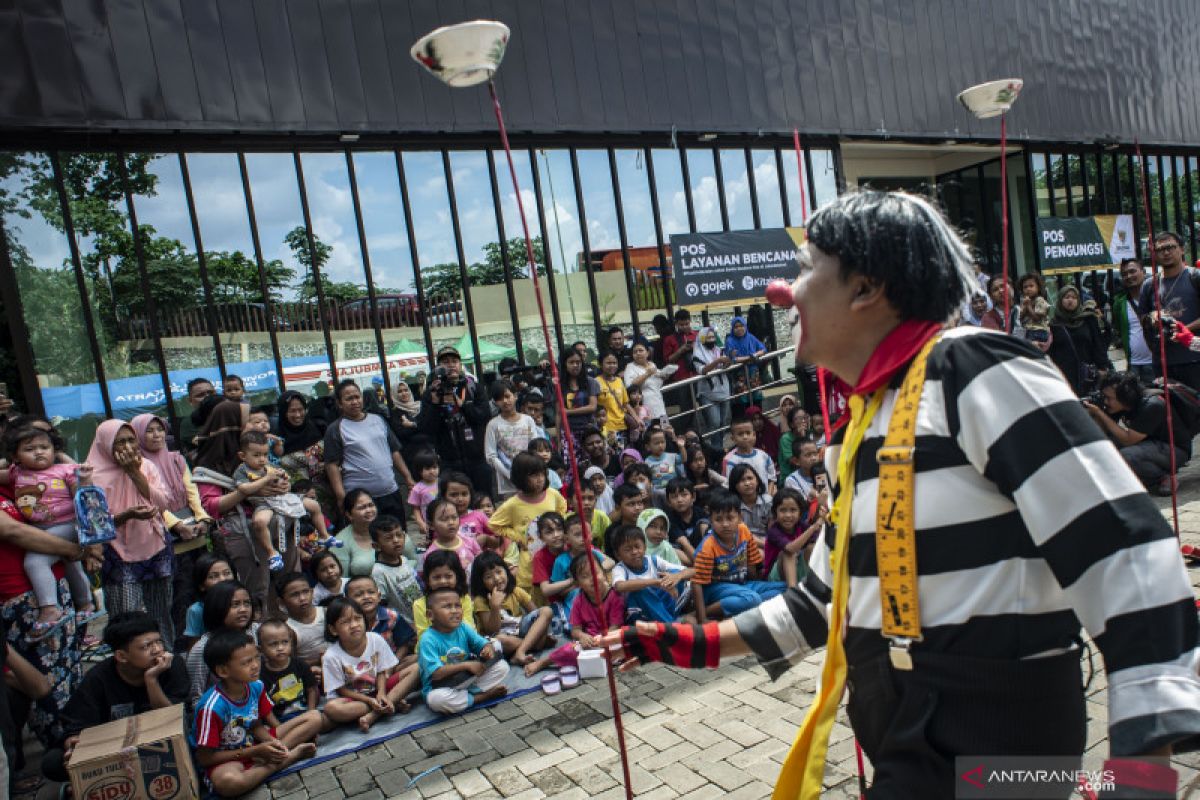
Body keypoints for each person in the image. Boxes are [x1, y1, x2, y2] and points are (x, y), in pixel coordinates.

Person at [602, 190, 1200, 798]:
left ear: (865, 288)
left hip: (997, 737)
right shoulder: (864, 426)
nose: (785, 291)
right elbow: (821, 605)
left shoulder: (976, 368)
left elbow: (1129, 551)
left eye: (808, 269)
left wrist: (1142, 779)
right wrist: (674, 643)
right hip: (909, 736)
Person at [40, 611, 188, 785]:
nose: (157, 650)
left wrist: (152, 680)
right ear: (121, 656)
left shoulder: (172, 665)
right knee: (53, 762)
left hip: (161, 743)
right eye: (146, 646)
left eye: (158, 642)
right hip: (114, 750)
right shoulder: (98, 678)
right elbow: (76, 725)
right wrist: (72, 745)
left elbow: (173, 718)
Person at [192, 629, 321, 797]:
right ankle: (288, 758)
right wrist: (255, 751)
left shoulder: (255, 685)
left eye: (256, 658)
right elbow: (205, 758)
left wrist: (272, 744)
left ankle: (272, 758)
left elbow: (256, 725)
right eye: (246, 662)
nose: (255, 665)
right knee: (229, 783)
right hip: (229, 759)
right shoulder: (211, 708)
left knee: (315, 718)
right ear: (223, 671)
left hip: (254, 745)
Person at [1, 427, 97, 634]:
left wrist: (85, 479)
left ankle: (49, 608)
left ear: (54, 449)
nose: (38, 452)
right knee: (70, 563)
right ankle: (86, 603)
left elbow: (82, 497)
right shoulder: (15, 473)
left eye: (45, 447)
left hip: (67, 524)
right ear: (15, 456)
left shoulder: (63, 471)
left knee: (35, 562)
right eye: (29, 449)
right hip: (39, 527)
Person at [132, 414, 216, 647]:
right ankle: (185, 643)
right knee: (181, 594)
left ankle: (211, 634)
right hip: (168, 536)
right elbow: (149, 499)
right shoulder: (136, 465)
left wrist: (202, 517)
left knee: (205, 587)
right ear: (138, 434)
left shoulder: (176, 458)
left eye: (160, 429)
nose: (156, 435)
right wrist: (176, 525)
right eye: (149, 431)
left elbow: (191, 489)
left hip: (195, 532)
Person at [87, 420, 175, 643]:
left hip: (155, 545)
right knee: (125, 616)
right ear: (106, 445)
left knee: (161, 610)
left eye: (131, 440)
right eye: (120, 442)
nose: (127, 447)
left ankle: (166, 658)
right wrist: (127, 515)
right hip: (118, 552)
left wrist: (134, 473)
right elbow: (94, 526)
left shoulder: (146, 466)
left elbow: (164, 502)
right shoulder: (92, 476)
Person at [1083, 370, 1191, 496]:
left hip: (1175, 450)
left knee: (1126, 456)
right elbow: (1102, 433)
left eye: (1109, 398)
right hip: (1149, 444)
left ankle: (1162, 477)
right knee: (1103, 445)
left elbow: (1128, 439)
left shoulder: (1152, 405)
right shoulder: (1123, 403)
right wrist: (1094, 413)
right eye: (1104, 397)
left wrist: (1099, 413)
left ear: (1125, 396)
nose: (1106, 402)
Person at [320, 596, 418, 732]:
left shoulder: (375, 639)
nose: (354, 625)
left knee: (417, 668)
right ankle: (392, 701)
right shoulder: (331, 656)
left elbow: (382, 671)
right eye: (345, 622)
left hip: (380, 689)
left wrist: (382, 693)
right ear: (333, 629)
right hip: (356, 699)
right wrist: (368, 700)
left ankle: (376, 713)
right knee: (331, 709)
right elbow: (341, 690)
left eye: (357, 618)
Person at [324, 380, 415, 525]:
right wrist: (341, 496)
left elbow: (394, 451)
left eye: (357, 397)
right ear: (340, 403)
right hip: (360, 500)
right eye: (349, 399)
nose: (355, 401)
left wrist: (408, 477)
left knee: (397, 535)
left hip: (390, 491)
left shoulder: (378, 420)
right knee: (369, 541)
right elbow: (331, 465)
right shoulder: (335, 429)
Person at [235, 431, 328, 573]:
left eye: (265, 455)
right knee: (259, 522)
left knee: (314, 505)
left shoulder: (269, 466)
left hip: (283, 499)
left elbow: (285, 479)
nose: (262, 459)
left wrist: (285, 482)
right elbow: (244, 489)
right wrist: (266, 479)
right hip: (263, 503)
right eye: (256, 455)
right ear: (242, 456)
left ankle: (324, 536)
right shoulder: (242, 470)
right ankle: (272, 553)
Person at [416, 347, 494, 496]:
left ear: (460, 364)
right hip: (449, 464)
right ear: (438, 367)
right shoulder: (432, 393)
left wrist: (463, 405)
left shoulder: (474, 388)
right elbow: (426, 428)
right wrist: (435, 404)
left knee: (484, 504)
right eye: (445, 362)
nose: (451, 365)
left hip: (477, 460)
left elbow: (484, 417)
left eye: (454, 361)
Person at [419, 588, 510, 714]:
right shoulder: (428, 639)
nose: (454, 611)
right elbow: (436, 673)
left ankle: (467, 695)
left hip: (466, 678)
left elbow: (483, 644)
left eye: (458, 606)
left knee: (502, 667)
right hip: (441, 685)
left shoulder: (462, 627)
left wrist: (487, 650)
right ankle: (482, 697)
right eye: (447, 607)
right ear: (430, 615)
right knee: (436, 700)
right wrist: (466, 665)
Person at [488, 453, 567, 593]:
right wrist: (518, 536)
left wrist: (556, 527)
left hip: (555, 557)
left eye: (542, 474)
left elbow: (562, 507)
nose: (540, 480)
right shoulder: (513, 504)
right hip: (529, 564)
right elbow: (493, 524)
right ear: (520, 478)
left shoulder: (552, 494)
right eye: (534, 476)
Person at [470, 551, 554, 674]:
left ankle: (520, 652)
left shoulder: (516, 591)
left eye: (499, 572)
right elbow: (491, 631)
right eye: (489, 577)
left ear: (506, 571)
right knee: (500, 639)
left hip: (521, 631)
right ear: (481, 582)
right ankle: (534, 645)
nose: (497, 579)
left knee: (547, 610)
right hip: (502, 641)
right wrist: (494, 607)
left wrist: (540, 628)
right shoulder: (480, 600)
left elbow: (535, 613)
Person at [610, 523, 692, 624]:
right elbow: (619, 586)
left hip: (660, 608)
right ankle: (670, 626)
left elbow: (692, 571)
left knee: (674, 574)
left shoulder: (653, 560)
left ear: (644, 547)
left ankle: (668, 621)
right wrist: (655, 582)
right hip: (637, 614)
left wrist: (677, 577)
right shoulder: (620, 568)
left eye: (637, 546)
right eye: (628, 549)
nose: (634, 552)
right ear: (618, 555)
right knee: (640, 591)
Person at [1047, 285, 1112, 397]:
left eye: (1074, 297)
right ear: (1060, 300)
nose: (1070, 300)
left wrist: (1102, 367)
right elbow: (1051, 352)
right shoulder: (1054, 324)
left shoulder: (1088, 320)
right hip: (1064, 375)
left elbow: (1098, 345)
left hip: (1087, 374)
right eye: (1066, 297)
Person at [484, 379, 541, 499]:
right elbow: (491, 456)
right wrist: (509, 474)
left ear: (515, 396)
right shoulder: (493, 425)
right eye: (499, 399)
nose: (505, 401)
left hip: (530, 474)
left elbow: (535, 446)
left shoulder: (528, 420)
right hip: (508, 481)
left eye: (507, 396)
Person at [256, 620, 318, 723]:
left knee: (324, 718)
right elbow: (265, 709)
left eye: (285, 642)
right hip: (281, 720)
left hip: (304, 713)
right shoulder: (260, 675)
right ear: (261, 649)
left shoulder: (300, 665)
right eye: (273, 644)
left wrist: (311, 713)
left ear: (291, 643)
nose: (280, 648)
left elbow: (311, 690)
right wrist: (279, 727)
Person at [763, 487, 823, 587]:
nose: (788, 515)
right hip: (776, 576)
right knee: (788, 553)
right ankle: (793, 592)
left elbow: (817, 541)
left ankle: (815, 583)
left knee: (811, 547)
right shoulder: (774, 531)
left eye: (793, 510)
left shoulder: (801, 526)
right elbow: (791, 549)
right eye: (783, 510)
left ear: (800, 513)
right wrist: (813, 528)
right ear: (775, 513)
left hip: (797, 570)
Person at [411, 549, 477, 639]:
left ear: (457, 577)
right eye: (437, 577)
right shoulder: (419, 605)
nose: (442, 581)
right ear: (428, 580)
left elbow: (469, 629)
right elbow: (423, 636)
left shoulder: (464, 599)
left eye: (448, 576)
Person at [369, 515, 421, 626]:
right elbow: (382, 605)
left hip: (422, 617)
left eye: (399, 535)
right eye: (389, 538)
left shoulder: (403, 559)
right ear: (376, 546)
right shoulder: (378, 572)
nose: (396, 540)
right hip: (406, 626)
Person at [1111, 259, 1155, 384]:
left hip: (1155, 362)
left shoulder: (1156, 297)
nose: (1129, 276)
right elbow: (1119, 328)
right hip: (1133, 364)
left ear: (1143, 272)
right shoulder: (1120, 303)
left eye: (1132, 271)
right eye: (1124, 274)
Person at [180, 554, 236, 650]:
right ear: (201, 585)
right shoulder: (197, 610)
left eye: (227, 573)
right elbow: (194, 647)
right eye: (213, 576)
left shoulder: (241, 602)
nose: (222, 579)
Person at [691, 327, 732, 448]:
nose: (711, 340)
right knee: (714, 422)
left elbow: (723, 367)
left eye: (713, 337)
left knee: (724, 422)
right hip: (707, 392)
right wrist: (717, 361)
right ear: (702, 339)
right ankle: (716, 447)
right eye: (708, 338)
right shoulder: (697, 354)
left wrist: (728, 361)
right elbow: (702, 370)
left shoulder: (718, 350)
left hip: (723, 389)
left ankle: (720, 446)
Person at [419, 497, 482, 576]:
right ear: (431, 525)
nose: (451, 522)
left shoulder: (469, 541)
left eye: (454, 517)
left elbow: (481, 562)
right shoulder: (431, 554)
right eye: (444, 519)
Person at [277, 572, 326, 667]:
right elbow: (291, 664)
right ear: (281, 602)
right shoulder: (288, 630)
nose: (302, 598)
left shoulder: (326, 612)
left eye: (305, 591)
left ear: (312, 592)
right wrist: (320, 661)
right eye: (294, 595)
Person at [624, 341, 677, 425]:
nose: (638, 353)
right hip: (644, 408)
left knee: (666, 428)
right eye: (635, 352)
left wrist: (664, 376)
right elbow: (630, 386)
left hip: (659, 404)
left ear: (647, 353)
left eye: (640, 350)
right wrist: (647, 374)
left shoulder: (652, 364)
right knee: (651, 432)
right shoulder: (630, 367)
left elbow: (657, 382)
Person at [661, 309, 698, 427]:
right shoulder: (669, 339)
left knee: (701, 404)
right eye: (681, 325)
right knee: (686, 407)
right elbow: (668, 360)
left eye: (687, 324)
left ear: (690, 322)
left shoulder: (696, 335)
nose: (684, 327)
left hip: (697, 374)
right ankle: (688, 430)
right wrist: (681, 350)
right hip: (681, 377)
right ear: (676, 323)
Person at [332, 489, 381, 578]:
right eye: (362, 507)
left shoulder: (387, 529)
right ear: (349, 515)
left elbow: (411, 560)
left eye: (371, 505)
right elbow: (341, 580)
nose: (369, 510)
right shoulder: (339, 543)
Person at [721, 415, 777, 494]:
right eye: (740, 434)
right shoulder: (730, 461)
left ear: (754, 434)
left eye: (748, 433)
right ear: (733, 438)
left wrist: (769, 496)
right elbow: (730, 486)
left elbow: (771, 478)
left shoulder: (764, 456)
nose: (745, 437)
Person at [595, 351, 634, 448]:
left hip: (623, 426)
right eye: (608, 363)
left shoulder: (619, 380)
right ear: (601, 364)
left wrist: (637, 419)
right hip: (607, 428)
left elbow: (626, 403)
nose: (612, 366)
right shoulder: (595, 382)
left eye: (614, 363)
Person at [725, 315, 767, 405]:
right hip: (739, 373)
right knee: (742, 397)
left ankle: (758, 416)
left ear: (745, 326)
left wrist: (755, 354)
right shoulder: (730, 341)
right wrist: (750, 357)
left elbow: (763, 349)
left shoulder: (750, 337)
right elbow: (733, 359)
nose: (739, 329)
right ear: (732, 328)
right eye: (736, 327)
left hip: (753, 372)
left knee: (756, 395)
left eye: (741, 326)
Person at [406, 450, 440, 543]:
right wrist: (420, 522)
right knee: (433, 541)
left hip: (445, 518)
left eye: (434, 467)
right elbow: (416, 508)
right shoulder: (417, 489)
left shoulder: (443, 483)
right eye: (428, 469)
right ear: (420, 471)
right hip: (430, 523)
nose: (432, 471)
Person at [777, 406, 811, 482]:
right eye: (799, 418)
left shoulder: (809, 433)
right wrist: (802, 437)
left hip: (807, 474)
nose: (803, 421)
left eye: (805, 417)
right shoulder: (786, 439)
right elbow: (795, 462)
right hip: (790, 477)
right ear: (792, 424)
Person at [1019, 272, 1052, 350]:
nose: (1028, 289)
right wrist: (1024, 307)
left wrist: (1029, 306)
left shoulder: (1040, 300)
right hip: (1028, 330)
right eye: (1025, 287)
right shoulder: (1025, 301)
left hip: (1039, 331)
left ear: (1038, 287)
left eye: (1031, 286)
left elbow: (1037, 318)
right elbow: (1021, 317)